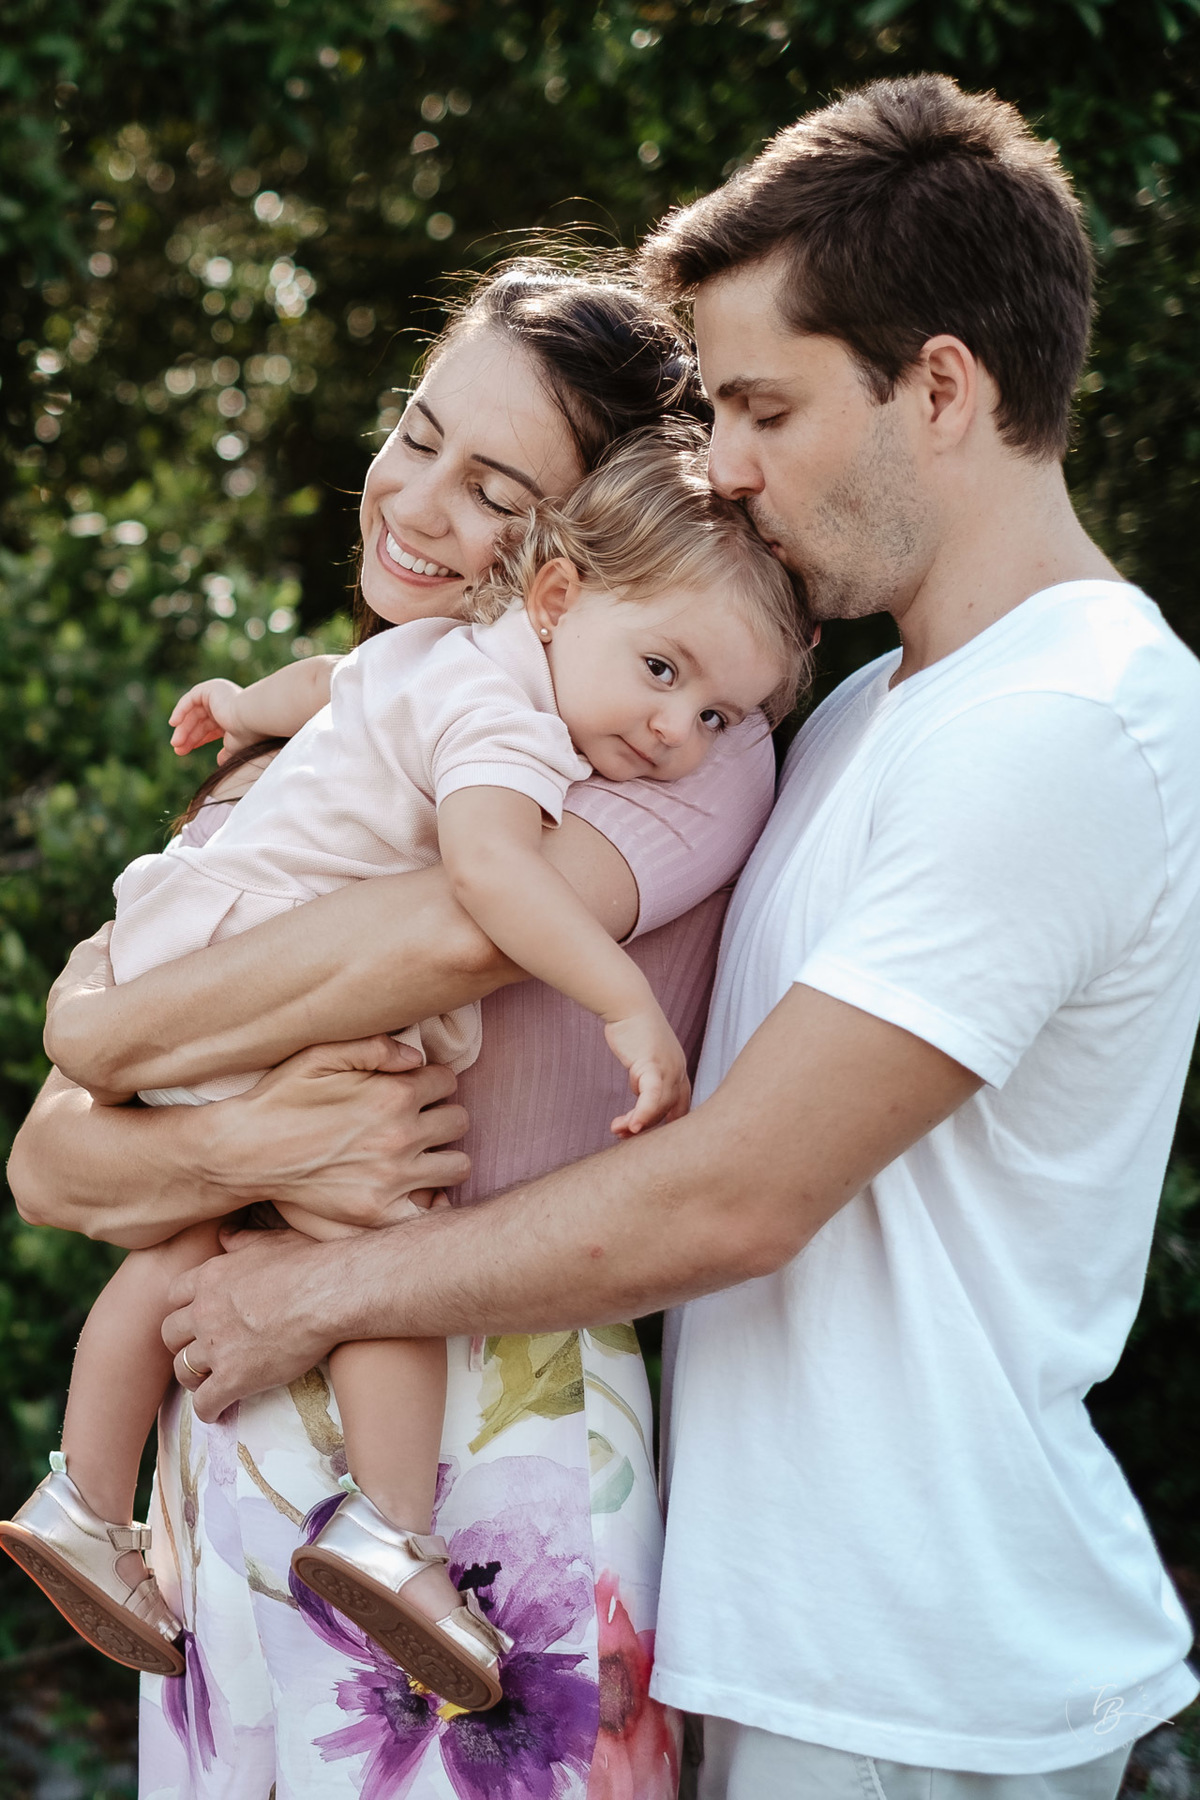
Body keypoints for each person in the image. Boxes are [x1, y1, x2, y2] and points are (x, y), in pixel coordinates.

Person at [30, 72, 1200, 1800]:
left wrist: (155, 1092)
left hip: (904, 1653)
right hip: (774, 1610)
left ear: (943, 387)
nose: (724, 469)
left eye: (765, 408)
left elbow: (730, 1187)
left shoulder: (1051, 723)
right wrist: (155, 1087)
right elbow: (64, 1156)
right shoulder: (859, 714)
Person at [12, 260, 788, 1797]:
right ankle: (85, 1507)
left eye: (493, 488)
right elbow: (51, 1166)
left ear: (586, 547)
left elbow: (450, 932)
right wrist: (247, 1141)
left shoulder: (679, 741)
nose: (417, 504)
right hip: (227, 1416)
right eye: (417, 436)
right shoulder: (360, 725)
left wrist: (104, 1031)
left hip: (489, 1421)